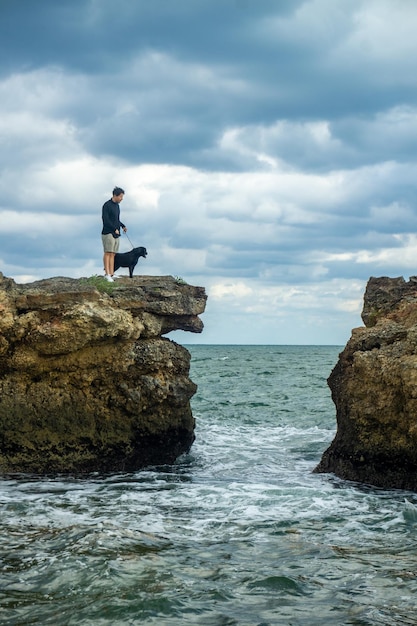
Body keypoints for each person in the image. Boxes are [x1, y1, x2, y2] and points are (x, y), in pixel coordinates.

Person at [101, 187, 128, 281]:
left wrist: (122, 226)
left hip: (116, 232)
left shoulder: (117, 206)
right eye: (120, 196)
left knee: (113, 253)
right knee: (108, 252)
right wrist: (114, 228)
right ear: (115, 195)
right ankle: (107, 274)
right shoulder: (107, 205)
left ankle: (112, 273)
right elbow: (105, 220)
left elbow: (116, 220)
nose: (122, 198)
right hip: (108, 232)